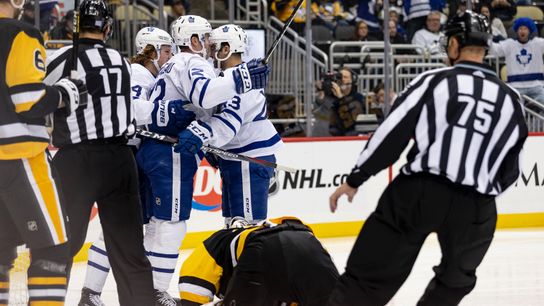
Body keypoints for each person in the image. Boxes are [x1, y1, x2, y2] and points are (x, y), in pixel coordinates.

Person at [327, 11, 528, 305]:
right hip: (476, 208)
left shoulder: (433, 81)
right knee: (454, 282)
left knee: (366, 281)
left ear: (455, 45)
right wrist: (480, 194)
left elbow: (391, 133)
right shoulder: (512, 99)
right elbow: (511, 168)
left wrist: (356, 178)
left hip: (419, 193)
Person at [136, 14, 271, 305]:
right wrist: (241, 78)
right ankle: (158, 291)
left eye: (216, 43)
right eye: (207, 40)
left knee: (244, 227)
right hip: (189, 155)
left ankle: (246, 291)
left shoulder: (181, 66)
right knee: (207, 226)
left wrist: (201, 132)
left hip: (239, 158)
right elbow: (208, 100)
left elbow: (224, 118)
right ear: (194, 40)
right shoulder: (202, 67)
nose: (210, 47)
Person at [43, 0, 156, 305]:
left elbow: (35, 99)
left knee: (62, 245)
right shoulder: (120, 60)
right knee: (130, 250)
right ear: (107, 28)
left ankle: (47, 301)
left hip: (77, 161)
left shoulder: (62, 58)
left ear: (75, 26)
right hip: (120, 161)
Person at [77, 26, 175, 306]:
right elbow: (133, 110)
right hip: (124, 159)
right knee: (118, 230)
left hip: (121, 156)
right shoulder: (139, 74)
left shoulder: (140, 73)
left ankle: (90, 294)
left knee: (117, 230)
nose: (170, 57)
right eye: (166, 51)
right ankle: (93, 294)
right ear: (152, 51)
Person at [0, 0, 87, 304]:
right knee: (52, 250)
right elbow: (27, 99)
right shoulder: (20, 33)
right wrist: (65, 93)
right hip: (18, 156)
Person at [174, 24, 283, 226]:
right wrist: (215, 149)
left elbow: (228, 123)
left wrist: (201, 134)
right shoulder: (229, 79)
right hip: (236, 158)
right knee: (232, 224)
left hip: (249, 159)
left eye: (214, 47)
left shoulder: (237, 81)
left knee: (249, 227)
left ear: (226, 49)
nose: (209, 52)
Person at [178, 217, 339, 305]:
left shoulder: (214, 242)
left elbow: (193, 292)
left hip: (262, 248)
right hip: (309, 241)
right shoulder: (245, 234)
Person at [489, 17, 544, 106]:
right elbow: (494, 50)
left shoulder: (538, 43)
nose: (522, 31)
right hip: (515, 87)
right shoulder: (509, 44)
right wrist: (488, 38)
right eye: (520, 29)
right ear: (517, 31)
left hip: (536, 86)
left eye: (525, 29)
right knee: (511, 108)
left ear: (529, 31)